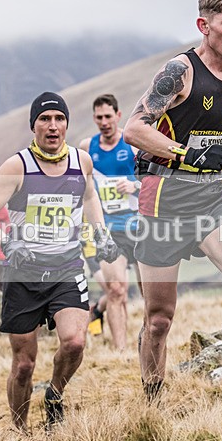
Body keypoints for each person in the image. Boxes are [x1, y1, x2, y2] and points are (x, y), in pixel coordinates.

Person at [124, 0, 222, 403]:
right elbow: (135, 130)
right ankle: (153, 403)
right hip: (164, 201)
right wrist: (191, 153)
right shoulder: (179, 71)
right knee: (158, 319)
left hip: (214, 197)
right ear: (204, 25)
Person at [0, 91, 119, 432]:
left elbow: (89, 197)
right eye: (45, 119)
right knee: (24, 365)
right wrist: (6, 241)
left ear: (67, 124)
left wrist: (101, 233)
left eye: (59, 119)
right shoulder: (17, 166)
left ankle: (55, 392)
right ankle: (20, 429)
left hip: (67, 269)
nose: (52, 126)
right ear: (34, 126)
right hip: (23, 274)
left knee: (75, 342)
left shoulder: (82, 161)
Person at [79, 94, 143, 350]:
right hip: (108, 230)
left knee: (150, 294)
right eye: (99, 117)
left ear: (118, 115)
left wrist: (134, 185)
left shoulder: (133, 144)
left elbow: (155, 181)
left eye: (108, 116)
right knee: (116, 290)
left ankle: (150, 344)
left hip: (140, 227)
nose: (104, 122)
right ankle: (121, 351)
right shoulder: (87, 147)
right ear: (94, 119)